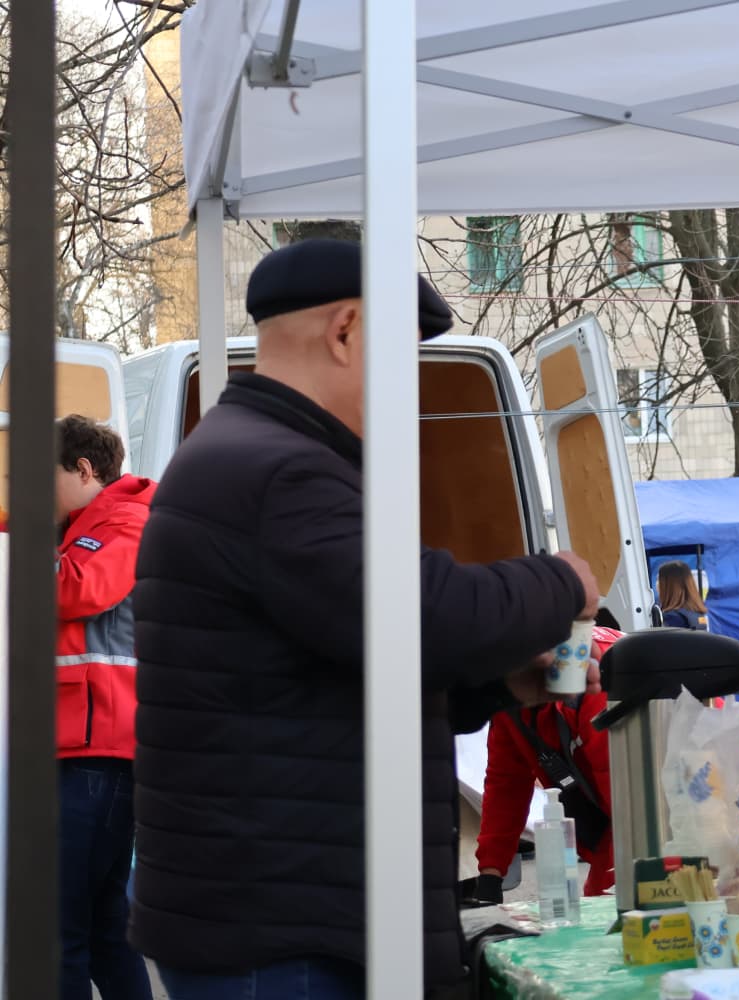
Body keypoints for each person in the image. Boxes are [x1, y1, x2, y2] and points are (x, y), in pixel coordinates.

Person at [129, 239, 603, 1000]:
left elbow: (345, 665)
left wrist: (500, 686)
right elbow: (425, 613)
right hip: (283, 929)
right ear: (347, 330)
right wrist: (561, 579)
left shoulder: (247, 451)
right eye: (405, 357)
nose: (409, 389)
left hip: (279, 907)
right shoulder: (279, 470)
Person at [54, 415, 157, 1000]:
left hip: (102, 756)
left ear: (84, 470)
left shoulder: (123, 523)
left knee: (59, 926)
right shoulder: (83, 527)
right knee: (99, 928)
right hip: (91, 751)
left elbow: (74, 590)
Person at [470, 626, 625, 902]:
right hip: (618, 804)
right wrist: (489, 878)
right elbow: (505, 786)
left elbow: (627, 798)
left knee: (616, 902)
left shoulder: (597, 675)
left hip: (687, 790)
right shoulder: (510, 699)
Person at [655, 560, 708, 630]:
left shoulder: (672, 617)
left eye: (659, 579)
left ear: (668, 585)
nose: (657, 584)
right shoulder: (697, 613)